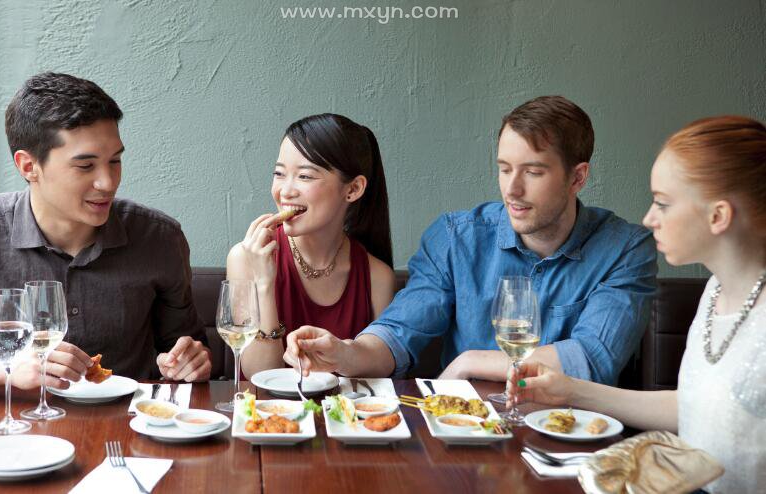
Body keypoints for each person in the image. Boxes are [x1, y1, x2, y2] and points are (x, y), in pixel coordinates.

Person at [285, 96, 658, 384]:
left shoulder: (625, 249)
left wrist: (471, 361)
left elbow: (593, 357)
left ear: (577, 178)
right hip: (466, 433)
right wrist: (345, 353)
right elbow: (399, 332)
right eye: (505, 169)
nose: (512, 189)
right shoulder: (456, 238)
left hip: (570, 439)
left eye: (533, 172)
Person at [507, 116, 766, 493]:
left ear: (718, 216)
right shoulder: (716, 292)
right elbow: (697, 407)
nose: (649, 218)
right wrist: (570, 391)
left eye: (662, 203)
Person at [0, 72, 211, 390]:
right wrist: (8, 364)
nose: (108, 182)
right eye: (85, 166)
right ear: (29, 166)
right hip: (8, 429)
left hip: (126, 428)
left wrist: (191, 360)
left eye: (114, 161)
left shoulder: (160, 238)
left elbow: (189, 348)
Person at [227, 113, 395, 377]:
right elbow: (260, 375)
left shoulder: (378, 277)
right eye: (279, 173)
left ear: (352, 189)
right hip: (272, 415)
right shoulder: (245, 257)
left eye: (304, 176)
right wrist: (264, 283)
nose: (285, 191)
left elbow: (377, 381)